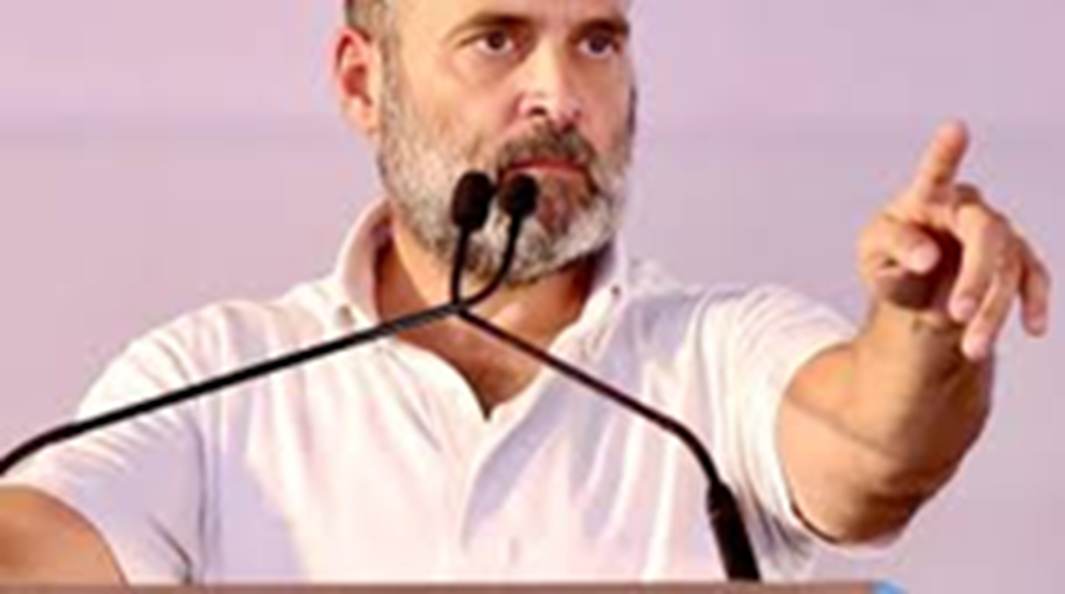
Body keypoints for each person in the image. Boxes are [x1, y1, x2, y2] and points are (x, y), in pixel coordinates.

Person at [0, 0, 1052, 585]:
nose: (560, 94)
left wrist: (924, 328)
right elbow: (37, 551)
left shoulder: (719, 352)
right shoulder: (212, 378)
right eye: (496, 38)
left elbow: (874, 454)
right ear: (364, 83)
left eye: (597, 42)